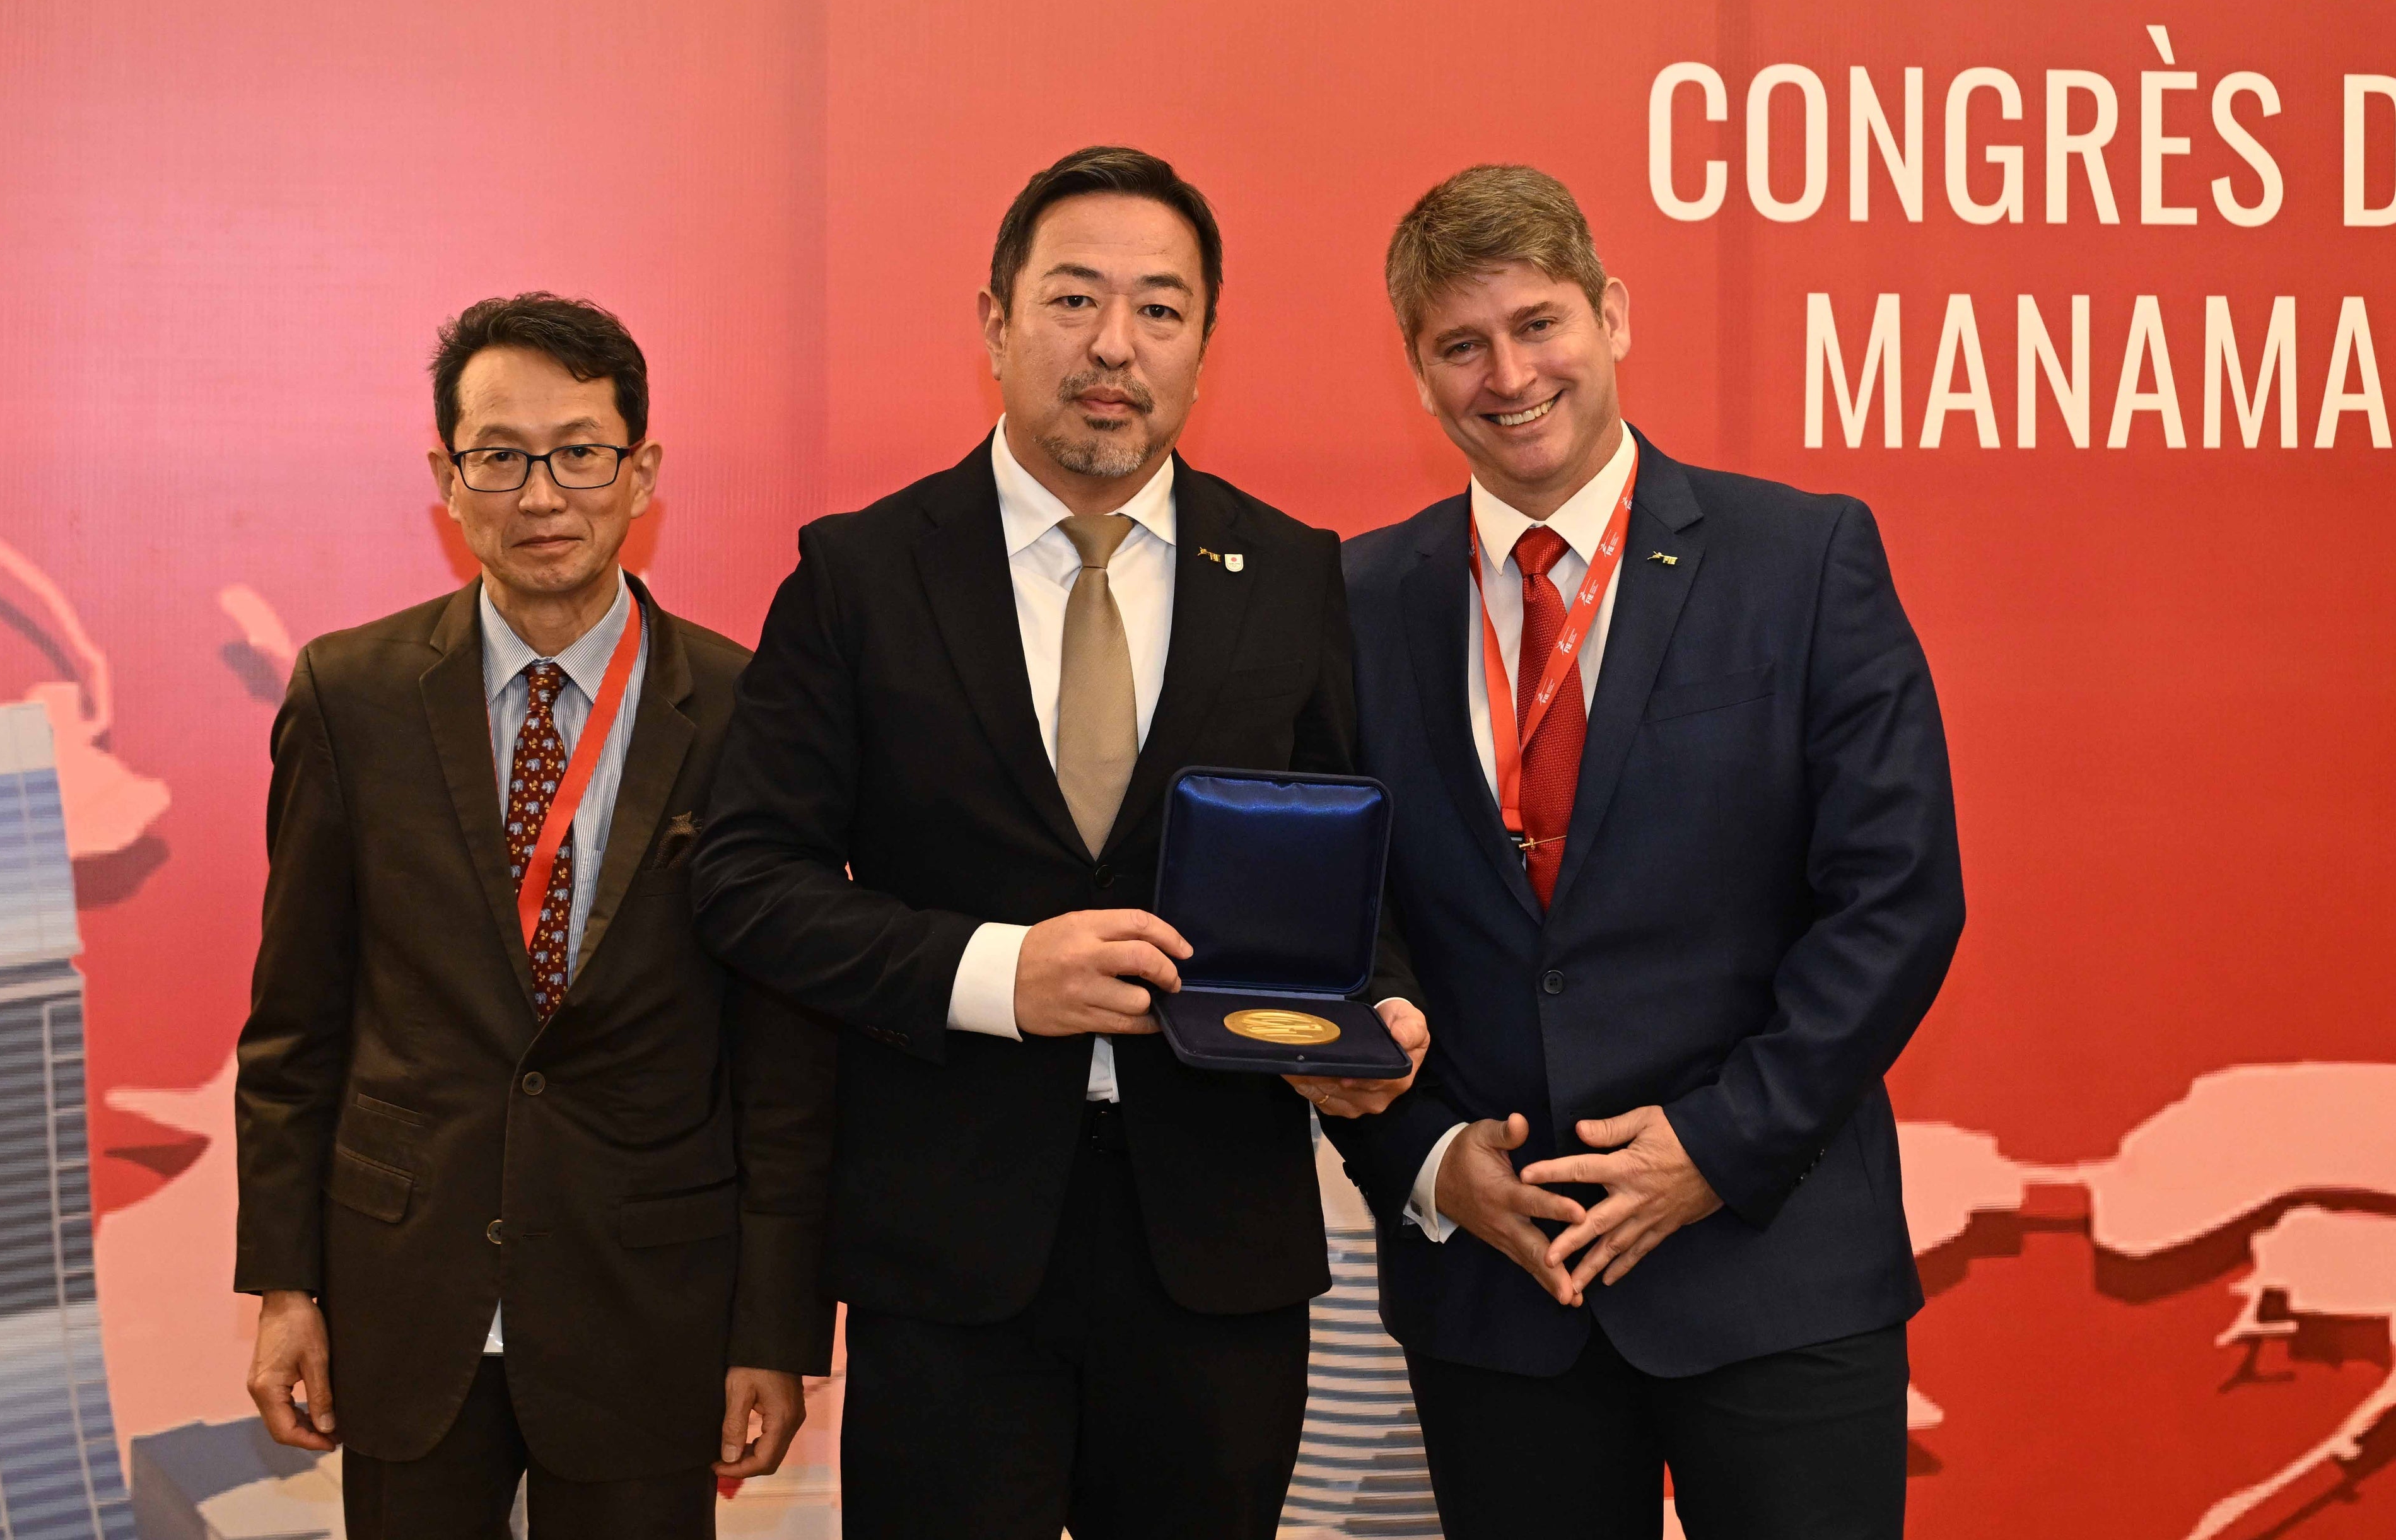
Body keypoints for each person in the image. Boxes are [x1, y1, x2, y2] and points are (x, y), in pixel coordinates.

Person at [691, 146, 1425, 1540]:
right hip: (948, 1259)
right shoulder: (862, 572)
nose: (1114, 345)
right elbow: (744, 878)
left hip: (1217, 1251)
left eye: (1161, 308)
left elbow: (1353, 873)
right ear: (996, 320)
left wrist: (1373, 1009)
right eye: (1075, 298)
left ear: (1205, 343)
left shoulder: (1290, 573)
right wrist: (996, 973)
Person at [1327, 166, 1964, 1539]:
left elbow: (1897, 897)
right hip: (1501, 1289)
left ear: (1611, 314)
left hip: (1773, 1263)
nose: (1510, 376)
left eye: (1539, 323)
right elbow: (1337, 925)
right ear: (1419, 374)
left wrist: (1715, 1147)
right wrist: (1429, 1160)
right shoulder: (1354, 602)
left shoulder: (1803, 557)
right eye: (1462, 344)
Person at [233, 293, 835, 1539]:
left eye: (580, 453)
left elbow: (782, 1057)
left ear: (642, 474)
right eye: (500, 457)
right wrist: (285, 1286)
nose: (543, 494)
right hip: (405, 1296)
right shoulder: (350, 697)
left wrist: (774, 1328)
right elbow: (297, 1026)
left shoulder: (745, 709)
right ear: (447, 481)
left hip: (649, 1301)